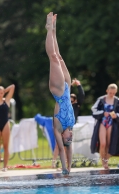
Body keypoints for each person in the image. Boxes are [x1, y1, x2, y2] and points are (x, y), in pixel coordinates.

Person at [45, 12, 75, 175]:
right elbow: (70, 149)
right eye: (70, 138)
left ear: (62, 137)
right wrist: (71, 169)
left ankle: (48, 29)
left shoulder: (58, 128)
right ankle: (54, 29)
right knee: (60, 57)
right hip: (68, 87)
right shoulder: (71, 125)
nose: (70, 137)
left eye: (67, 139)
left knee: (53, 58)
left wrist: (64, 169)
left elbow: (63, 151)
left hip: (58, 90)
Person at [52, 78, 85, 168]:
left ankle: (68, 165)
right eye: (70, 98)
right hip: (62, 125)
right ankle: (54, 162)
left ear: (74, 100)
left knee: (68, 145)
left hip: (68, 126)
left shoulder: (75, 105)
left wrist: (78, 85)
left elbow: (81, 96)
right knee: (58, 146)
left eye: (72, 99)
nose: (71, 100)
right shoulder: (64, 102)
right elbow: (61, 99)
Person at [91, 83, 119, 170]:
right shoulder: (101, 99)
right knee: (102, 143)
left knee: (109, 143)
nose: (112, 95)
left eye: (114, 93)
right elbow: (93, 110)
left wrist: (116, 115)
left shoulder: (117, 100)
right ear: (107, 91)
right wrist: (103, 113)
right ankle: (103, 162)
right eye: (110, 93)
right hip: (102, 122)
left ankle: (106, 161)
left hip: (111, 123)